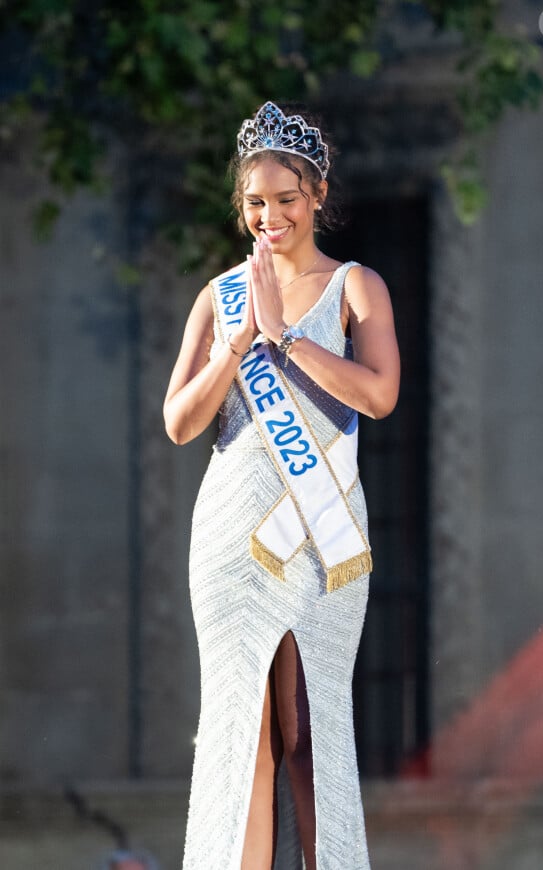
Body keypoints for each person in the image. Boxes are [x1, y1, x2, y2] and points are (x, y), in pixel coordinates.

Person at [164, 101, 400, 870]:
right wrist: (241, 339)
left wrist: (286, 339)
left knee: (306, 727)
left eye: (286, 200)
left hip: (319, 530)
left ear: (318, 195)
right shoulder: (219, 295)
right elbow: (179, 422)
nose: (270, 217)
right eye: (255, 202)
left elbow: (379, 395)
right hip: (233, 533)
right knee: (246, 728)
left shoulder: (357, 286)